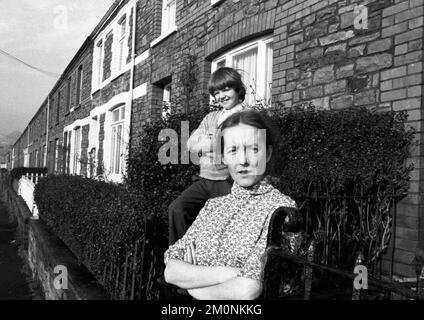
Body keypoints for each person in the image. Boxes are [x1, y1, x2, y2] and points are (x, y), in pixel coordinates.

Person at [164, 110, 297, 300]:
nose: (243, 161)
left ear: (267, 154)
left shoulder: (281, 209)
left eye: (253, 149)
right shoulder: (213, 206)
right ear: (224, 157)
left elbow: (248, 289)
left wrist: (193, 285)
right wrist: (229, 273)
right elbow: (171, 270)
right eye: (233, 150)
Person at [168, 67, 248, 245]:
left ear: (237, 89)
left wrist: (208, 140)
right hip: (204, 180)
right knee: (177, 210)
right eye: (217, 92)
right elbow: (190, 145)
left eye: (226, 89)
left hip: (229, 183)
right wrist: (215, 141)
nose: (221, 96)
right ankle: (180, 256)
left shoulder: (246, 117)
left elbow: (233, 147)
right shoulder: (211, 116)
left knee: (217, 229)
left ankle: (207, 266)